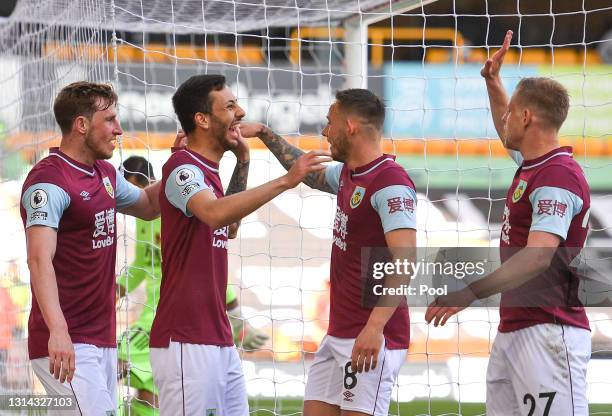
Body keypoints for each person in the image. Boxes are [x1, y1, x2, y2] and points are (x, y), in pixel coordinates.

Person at [425, 30, 591, 415]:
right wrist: (493, 82)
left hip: (548, 332)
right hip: (516, 329)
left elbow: (537, 258)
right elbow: (507, 133)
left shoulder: (557, 177)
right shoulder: (536, 168)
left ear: (527, 117)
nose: (505, 117)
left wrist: (468, 292)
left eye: (512, 111)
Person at [149, 74, 330, 415]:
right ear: (201, 119)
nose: (241, 112)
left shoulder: (208, 171)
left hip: (217, 336)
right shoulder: (181, 167)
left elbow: (228, 227)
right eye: (230, 106)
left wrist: (243, 161)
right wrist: (288, 180)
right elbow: (214, 214)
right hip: (186, 337)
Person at [240, 88, 418, 416]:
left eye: (329, 122)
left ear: (349, 126)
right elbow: (311, 173)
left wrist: (375, 327)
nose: (324, 132)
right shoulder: (350, 174)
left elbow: (405, 260)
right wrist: (265, 133)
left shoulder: (391, 183)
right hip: (338, 334)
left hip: (371, 337)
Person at [20, 81, 167, 415]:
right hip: (65, 341)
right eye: (111, 120)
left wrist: (178, 164)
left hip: (101, 338)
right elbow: (39, 260)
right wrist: (58, 331)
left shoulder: (105, 172)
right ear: (81, 125)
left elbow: (147, 204)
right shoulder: (49, 182)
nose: (119, 130)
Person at [117, 155, 268, 415]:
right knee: (141, 385)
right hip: (154, 312)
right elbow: (143, 264)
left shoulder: (179, 204)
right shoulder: (144, 218)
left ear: (136, 182)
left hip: (179, 315)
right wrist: (116, 290)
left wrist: (237, 319)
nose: (124, 198)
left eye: (126, 186)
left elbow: (209, 265)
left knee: (118, 361)